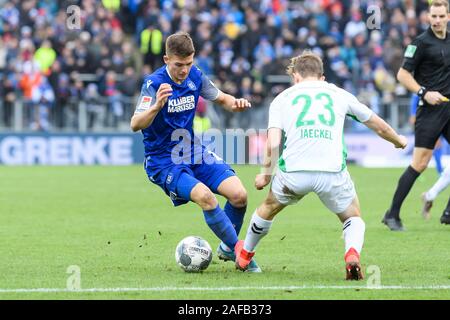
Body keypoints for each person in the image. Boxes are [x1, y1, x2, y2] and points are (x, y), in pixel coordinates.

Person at [234, 51, 407, 280]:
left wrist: (265, 175)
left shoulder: (282, 99)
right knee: (352, 216)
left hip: (294, 173)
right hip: (331, 172)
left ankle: (245, 255)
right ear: (322, 76)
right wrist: (398, 140)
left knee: (268, 207)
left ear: (295, 76)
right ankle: (351, 253)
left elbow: (273, 143)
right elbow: (378, 125)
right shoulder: (339, 94)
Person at [130, 32, 261, 272]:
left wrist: (236, 103)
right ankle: (241, 252)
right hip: (163, 162)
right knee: (206, 197)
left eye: (188, 64)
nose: (184, 70)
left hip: (192, 151)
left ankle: (227, 247)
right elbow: (136, 123)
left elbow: (222, 99)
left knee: (239, 195)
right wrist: (157, 106)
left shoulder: (196, 76)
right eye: (179, 65)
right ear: (166, 59)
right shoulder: (154, 84)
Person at [382, 0, 450, 231]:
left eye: (441, 16)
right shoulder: (421, 43)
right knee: (420, 163)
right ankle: (392, 214)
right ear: (428, 17)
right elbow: (402, 75)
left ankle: (448, 213)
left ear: (448, 16)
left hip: (448, 108)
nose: (438, 20)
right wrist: (424, 92)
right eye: (434, 16)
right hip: (429, 111)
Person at [409, 93, 443, 175]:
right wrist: (413, 117)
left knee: (437, 145)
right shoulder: (420, 91)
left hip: (437, 119)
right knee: (435, 145)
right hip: (426, 121)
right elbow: (414, 105)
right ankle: (439, 170)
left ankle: (439, 169)